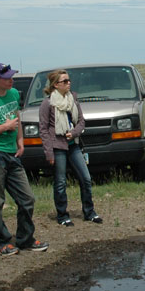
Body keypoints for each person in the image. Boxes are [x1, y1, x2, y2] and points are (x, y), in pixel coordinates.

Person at [0, 63, 49, 255]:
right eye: (7, 77)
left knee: (27, 198)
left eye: (11, 76)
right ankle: (1, 241)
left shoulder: (14, 94)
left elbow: (17, 118)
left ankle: (25, 238)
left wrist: (20, 141)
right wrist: (4, 127)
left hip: (12, 153)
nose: (11, 79)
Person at [38, 69, 102, 226]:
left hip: (74, 145)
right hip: (57, 146)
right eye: (64, 81)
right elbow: (43, 130)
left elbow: (81, 121)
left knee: (86, 178)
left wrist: (73, 133)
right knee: (60, 182)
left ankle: (89, 212)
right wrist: (49, 153)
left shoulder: (73, 99)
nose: (68, 83)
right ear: (55, 85)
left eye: (69, 80)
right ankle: (62, 215)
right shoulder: (47, 104)